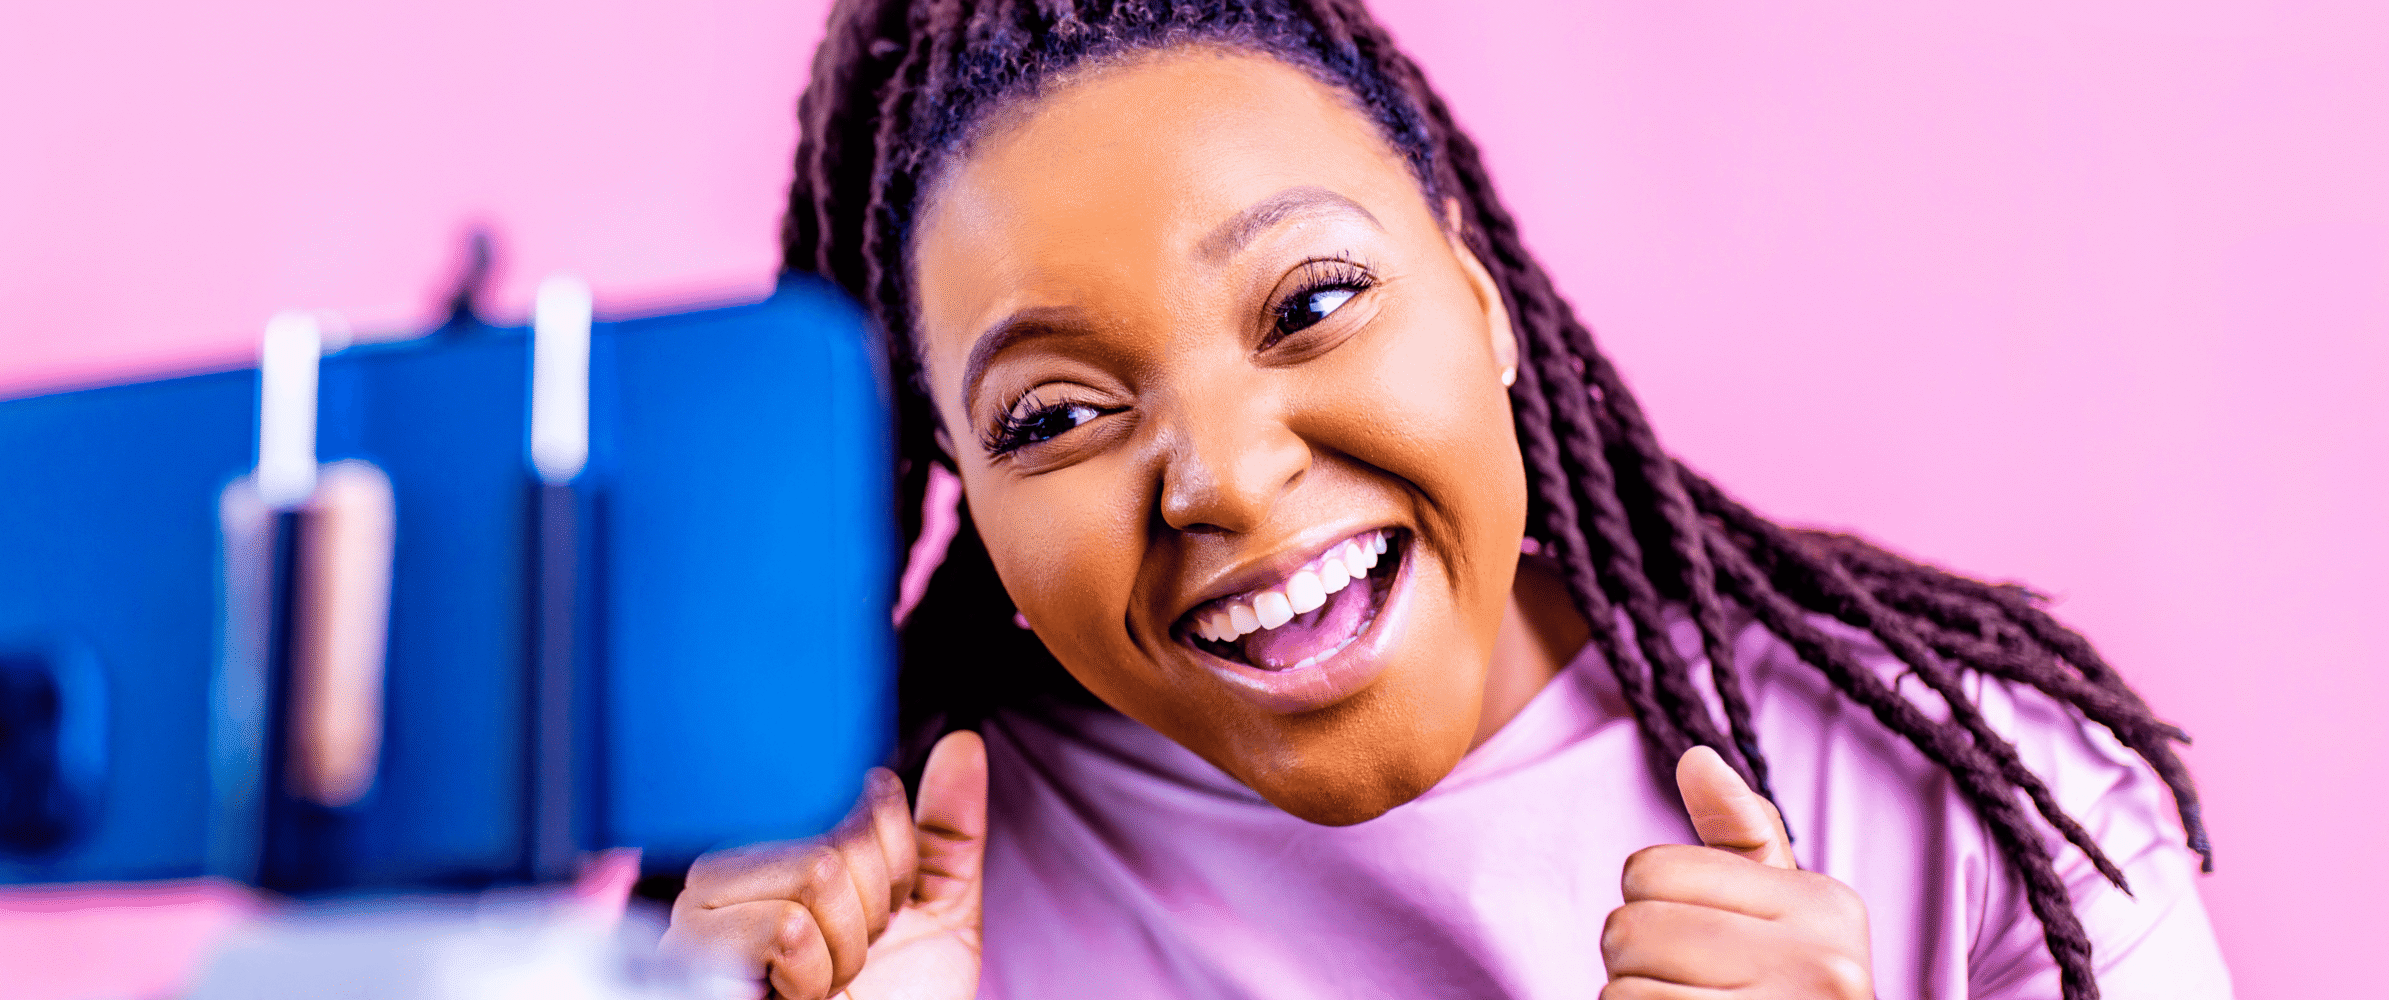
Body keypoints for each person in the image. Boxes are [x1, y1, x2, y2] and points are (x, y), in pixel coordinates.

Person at [663, 2, 2230, 997]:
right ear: (959, 488)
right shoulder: (844, 931)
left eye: (1311, 303)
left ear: (1480, 302)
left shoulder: (1982, 812)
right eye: (1057, 414)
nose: (1223, 478)